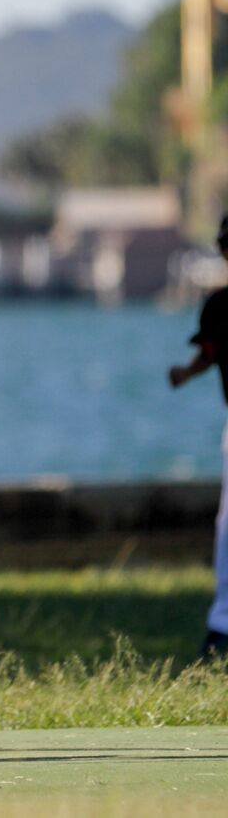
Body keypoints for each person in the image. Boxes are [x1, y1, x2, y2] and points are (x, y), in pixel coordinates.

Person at [169, 215, 228, 660]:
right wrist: (187, 373)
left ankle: (222, 626)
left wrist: (187, 373)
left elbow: (208, 353)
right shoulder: (219, 307)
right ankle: (222, 626)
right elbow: (210, 352)